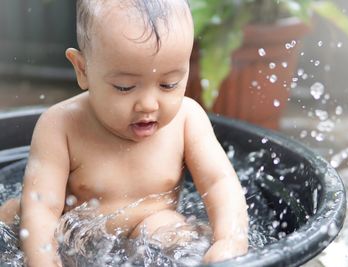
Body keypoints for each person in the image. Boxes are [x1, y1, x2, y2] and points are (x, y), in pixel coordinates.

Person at [0, 0, 249, 266]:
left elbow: (219, 182)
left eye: (168, 84)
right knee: (19, 215)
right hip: (76, 241)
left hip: (149, 233)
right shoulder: (61, 125)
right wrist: (42, 257)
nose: (148, 104)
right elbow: (44, 206)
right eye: (124, 87)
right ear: (82, 70)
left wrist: (230, 240)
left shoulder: (187, 119)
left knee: (172, 232)